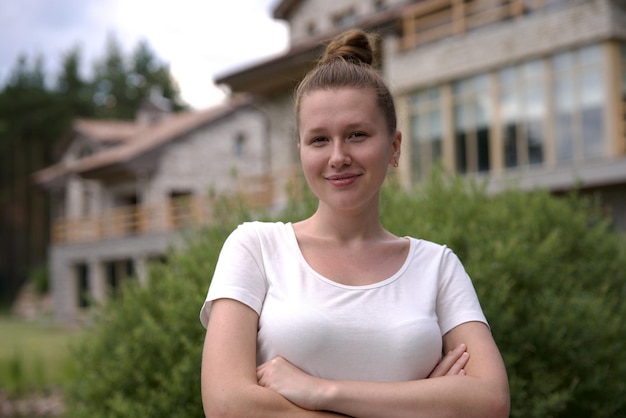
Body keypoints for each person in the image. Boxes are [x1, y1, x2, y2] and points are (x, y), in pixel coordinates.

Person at [200, 28, 509, 418]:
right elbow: (227, 406)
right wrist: (421, 403)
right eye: (318, 140)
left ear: (394, 146)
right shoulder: (255, 248)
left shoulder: (437, 266)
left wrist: (320, 391)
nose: (338, 156)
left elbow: (491, 402)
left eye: (357, 135)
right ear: (300, 150)